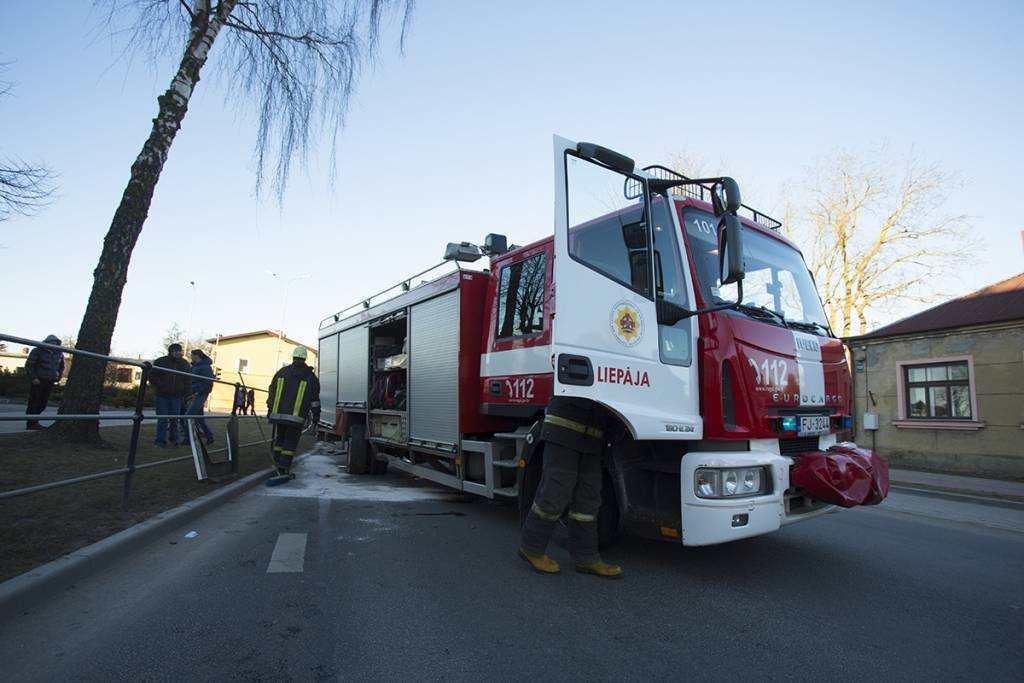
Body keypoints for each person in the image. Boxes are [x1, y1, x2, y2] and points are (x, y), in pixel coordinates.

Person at [518, 396, 623, 578]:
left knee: (589, 497)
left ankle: (586, 557)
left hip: (593, 434)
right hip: (565, 427)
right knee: (556, 489)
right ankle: (531, 547)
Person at [265, 346, 320, 483]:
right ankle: (283, 468)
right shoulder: (310, 377)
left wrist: (270, 409)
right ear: (305, 358)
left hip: (279, 416)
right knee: (290, 443)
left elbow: (272, 391)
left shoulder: (281, 372)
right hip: (296, 418)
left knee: (280, 440)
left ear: (293, 357)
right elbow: (314, 401)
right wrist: (316, 417)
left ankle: (276, 464)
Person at [149, 343, 192, 447]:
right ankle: (160, 441)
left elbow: (188, 379)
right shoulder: (160, 362)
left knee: (174, 419)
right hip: (162, 395)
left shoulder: (184, 364)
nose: (177, 353)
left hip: (177, 396)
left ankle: (174, 438)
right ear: (170, 352)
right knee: (163, 419)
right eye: (175, 351)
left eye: (179, 351)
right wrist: (161, 386)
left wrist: (187, 394)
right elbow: (152, 375)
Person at [24, 334, 65, 430]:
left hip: (50, 380)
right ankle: (31, 423)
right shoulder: (37, 351)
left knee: (43, 403)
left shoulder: (59, 353)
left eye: (55, 343)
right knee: (34, 401)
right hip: (39, 380)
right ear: (47, 343)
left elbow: (61, 366)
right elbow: (29, 365)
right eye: (52, 342)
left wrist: (58, 376)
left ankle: (34, 420)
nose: (54, 344)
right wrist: (33, 377)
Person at [185, 349, 215, 445]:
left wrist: (197, 391)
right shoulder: (195, 366)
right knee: (199, 418)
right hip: (196, 393)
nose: (191, 357)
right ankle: (209, 436)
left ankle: (188, 439)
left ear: (197, 356)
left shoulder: (205, 367)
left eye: (192, 355)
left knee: (187, 417)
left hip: (200, 394)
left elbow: (207, 382)